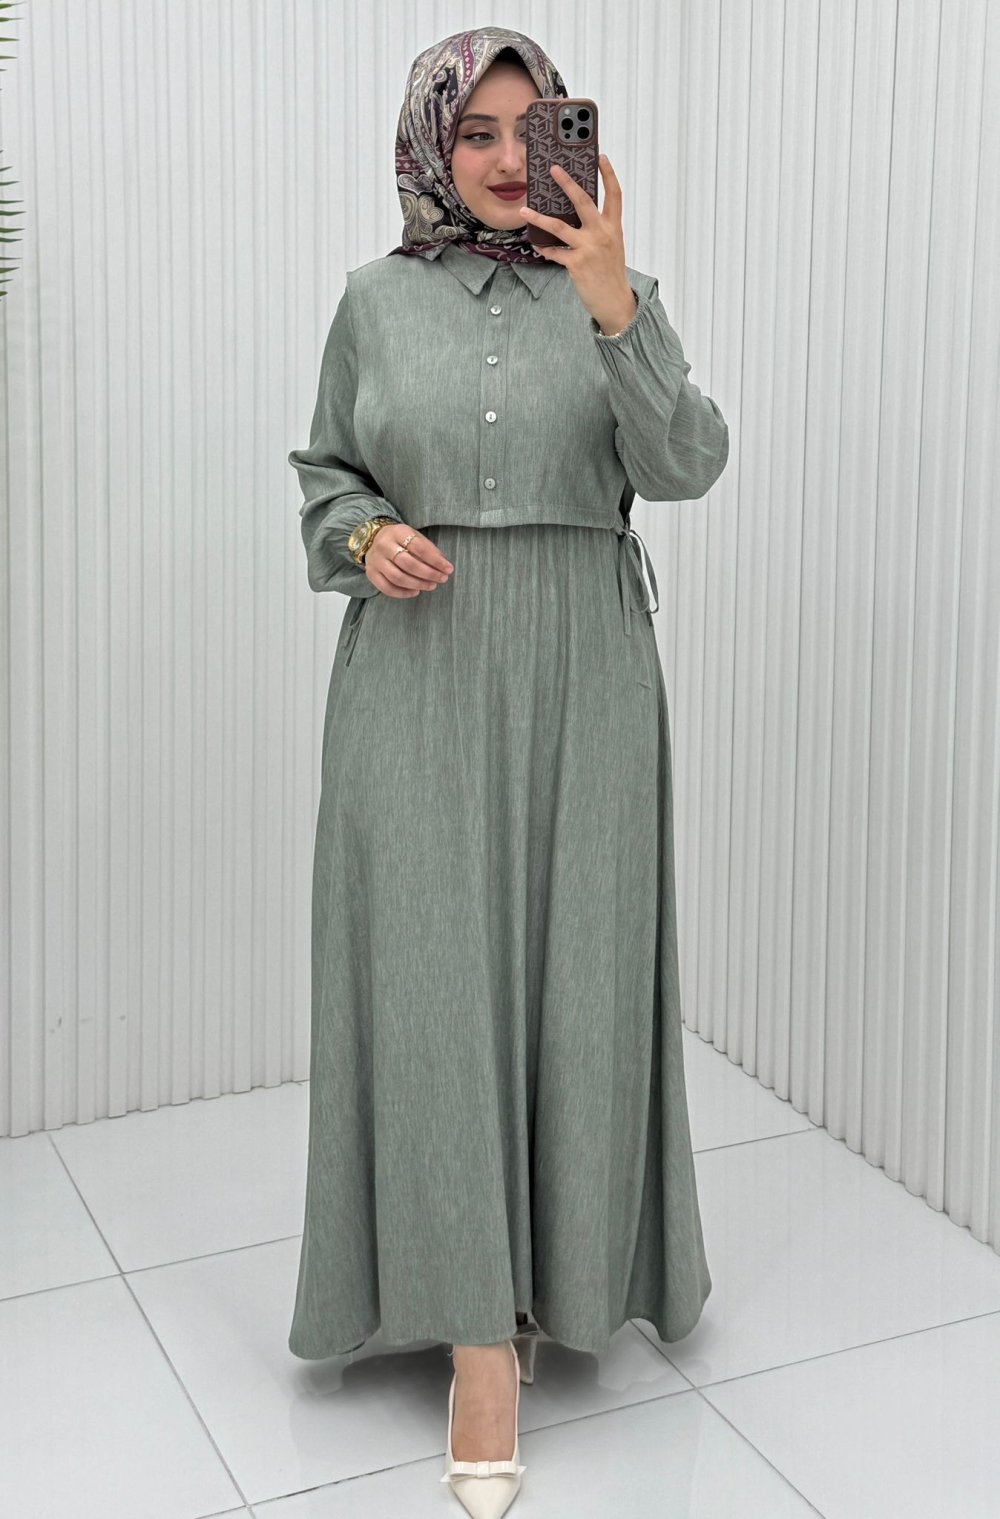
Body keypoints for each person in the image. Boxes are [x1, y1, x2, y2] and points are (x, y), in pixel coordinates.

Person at [286, 25, 729, 1516]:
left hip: (586, 674)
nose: (497, 158)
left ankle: (568, 1274)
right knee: (429, 988)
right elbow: (326, 473)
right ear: (430, 142)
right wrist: (362, 538)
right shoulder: (371, 301)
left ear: (568, 143)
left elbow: (687, 466)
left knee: (579, 973)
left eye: (527, 130)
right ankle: (479, 1339)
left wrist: (615, 308)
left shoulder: (620, 294)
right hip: (415, 674)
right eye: (472, 131)